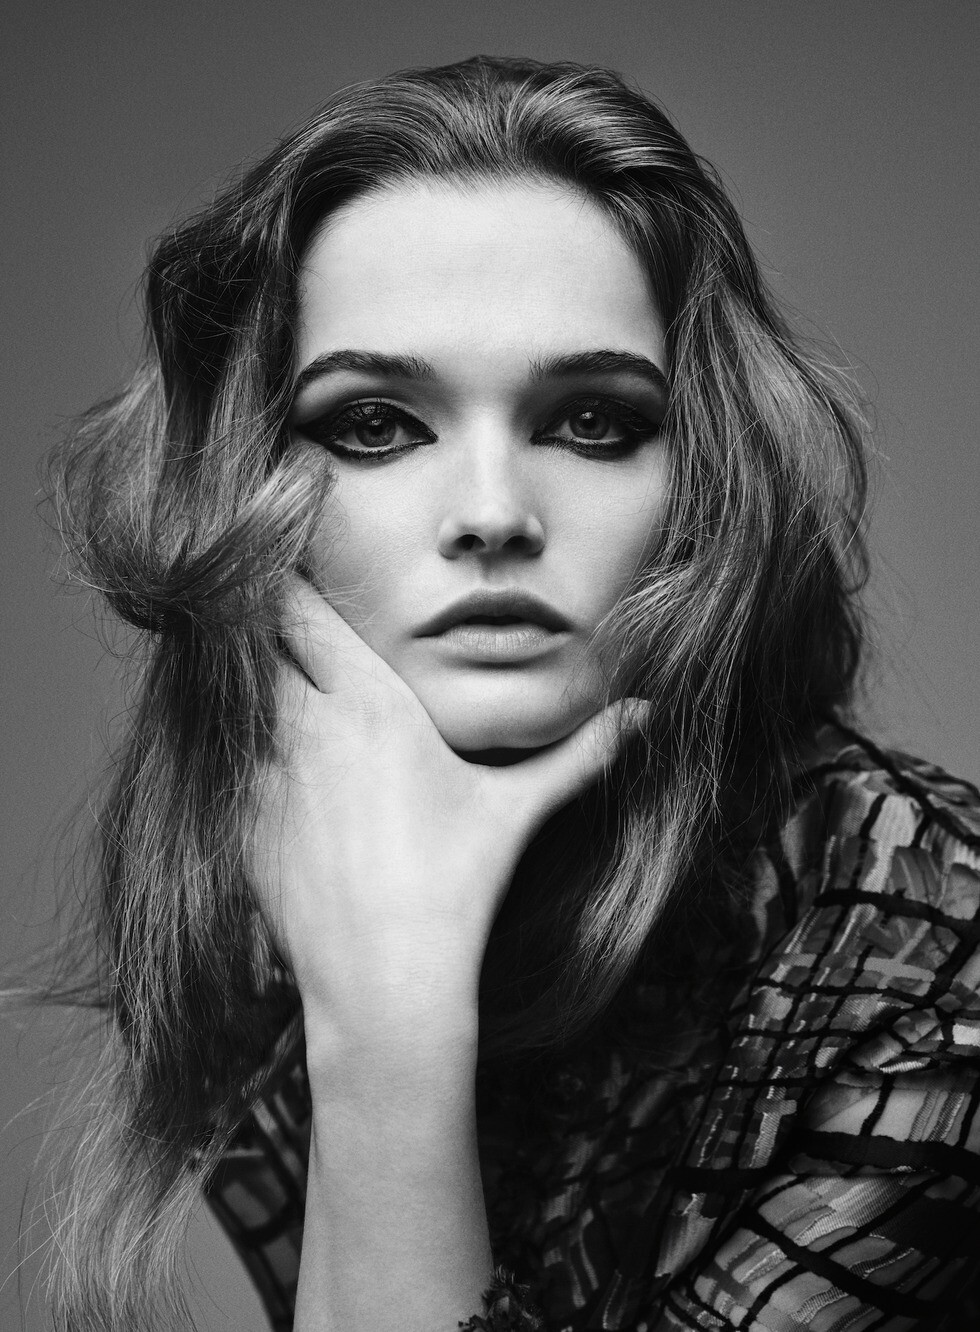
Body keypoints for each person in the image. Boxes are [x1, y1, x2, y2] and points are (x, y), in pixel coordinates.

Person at [40, 53, 980, 1332]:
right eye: (374, 425)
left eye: (591, 422)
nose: (491, 514)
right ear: (242, 500)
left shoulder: (930, 962)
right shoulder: (331, 874)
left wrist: (390, 1032)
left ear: (706, 486)